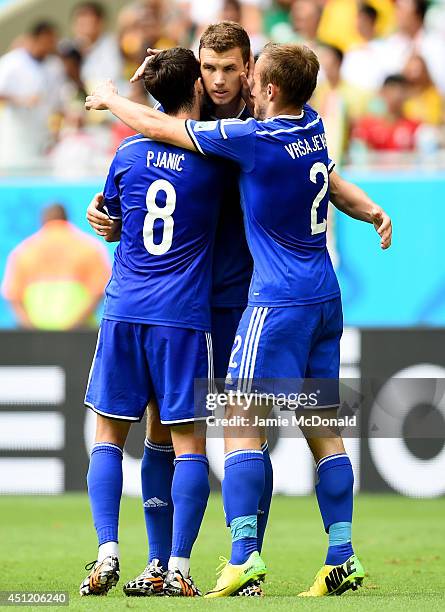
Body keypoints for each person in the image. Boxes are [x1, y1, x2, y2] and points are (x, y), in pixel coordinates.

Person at [86, 42, 392, 598]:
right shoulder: (310, 123)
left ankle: (245, 558)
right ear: (197, 76)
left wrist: (110, 96)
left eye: (233, 69)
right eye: (210, 68)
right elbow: (322, 174)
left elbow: (159, 133)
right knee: (212, 428)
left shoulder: (243, 136)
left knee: (240, 427)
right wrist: (111, 217)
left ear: (256, 75)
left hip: (248, 300)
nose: (223, 79)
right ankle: (168, 563)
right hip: (222, 301)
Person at [80, 47, 229, 598]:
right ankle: (180, 567)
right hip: (182, 317)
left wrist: (132, 89)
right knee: (187, 444)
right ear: (196, 84)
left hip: (123, 308)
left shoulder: (126, 154)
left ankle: (107, 553)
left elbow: (113, 219)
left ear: (150, 90)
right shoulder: (215, 154)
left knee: (110, 436)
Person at [2, 204, 110, 329]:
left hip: (37, 337)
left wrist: (31, 329)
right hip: (81, 335)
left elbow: (13, 295)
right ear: (66, 218)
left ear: (43, 220)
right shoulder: (89, 247)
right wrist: (75, 325)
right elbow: (99, 291)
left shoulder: (24, 250)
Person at [0, 21, 62, 170]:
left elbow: (57, 103)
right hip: (15, 133)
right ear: (35, 39)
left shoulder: (54, 66)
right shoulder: (12, 62)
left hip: (41, 132)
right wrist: (21, 100)